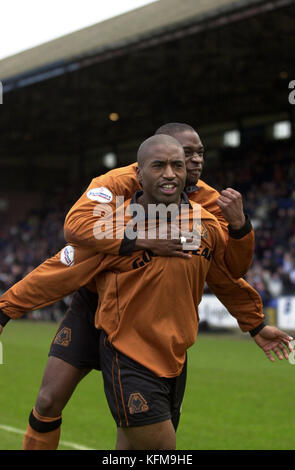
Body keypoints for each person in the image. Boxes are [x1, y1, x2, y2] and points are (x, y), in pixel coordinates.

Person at [0, 125, 271, 450]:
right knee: (48, 400)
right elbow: (69, 248)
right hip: (100, 313)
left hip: (158, 333)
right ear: (141, 170)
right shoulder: (115, 196)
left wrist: (254, 320)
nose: (194, 162)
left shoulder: (204, 210)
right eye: (182, 155)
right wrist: (5, 310)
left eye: (194, 156)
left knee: (132, 440)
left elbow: (226, 271)